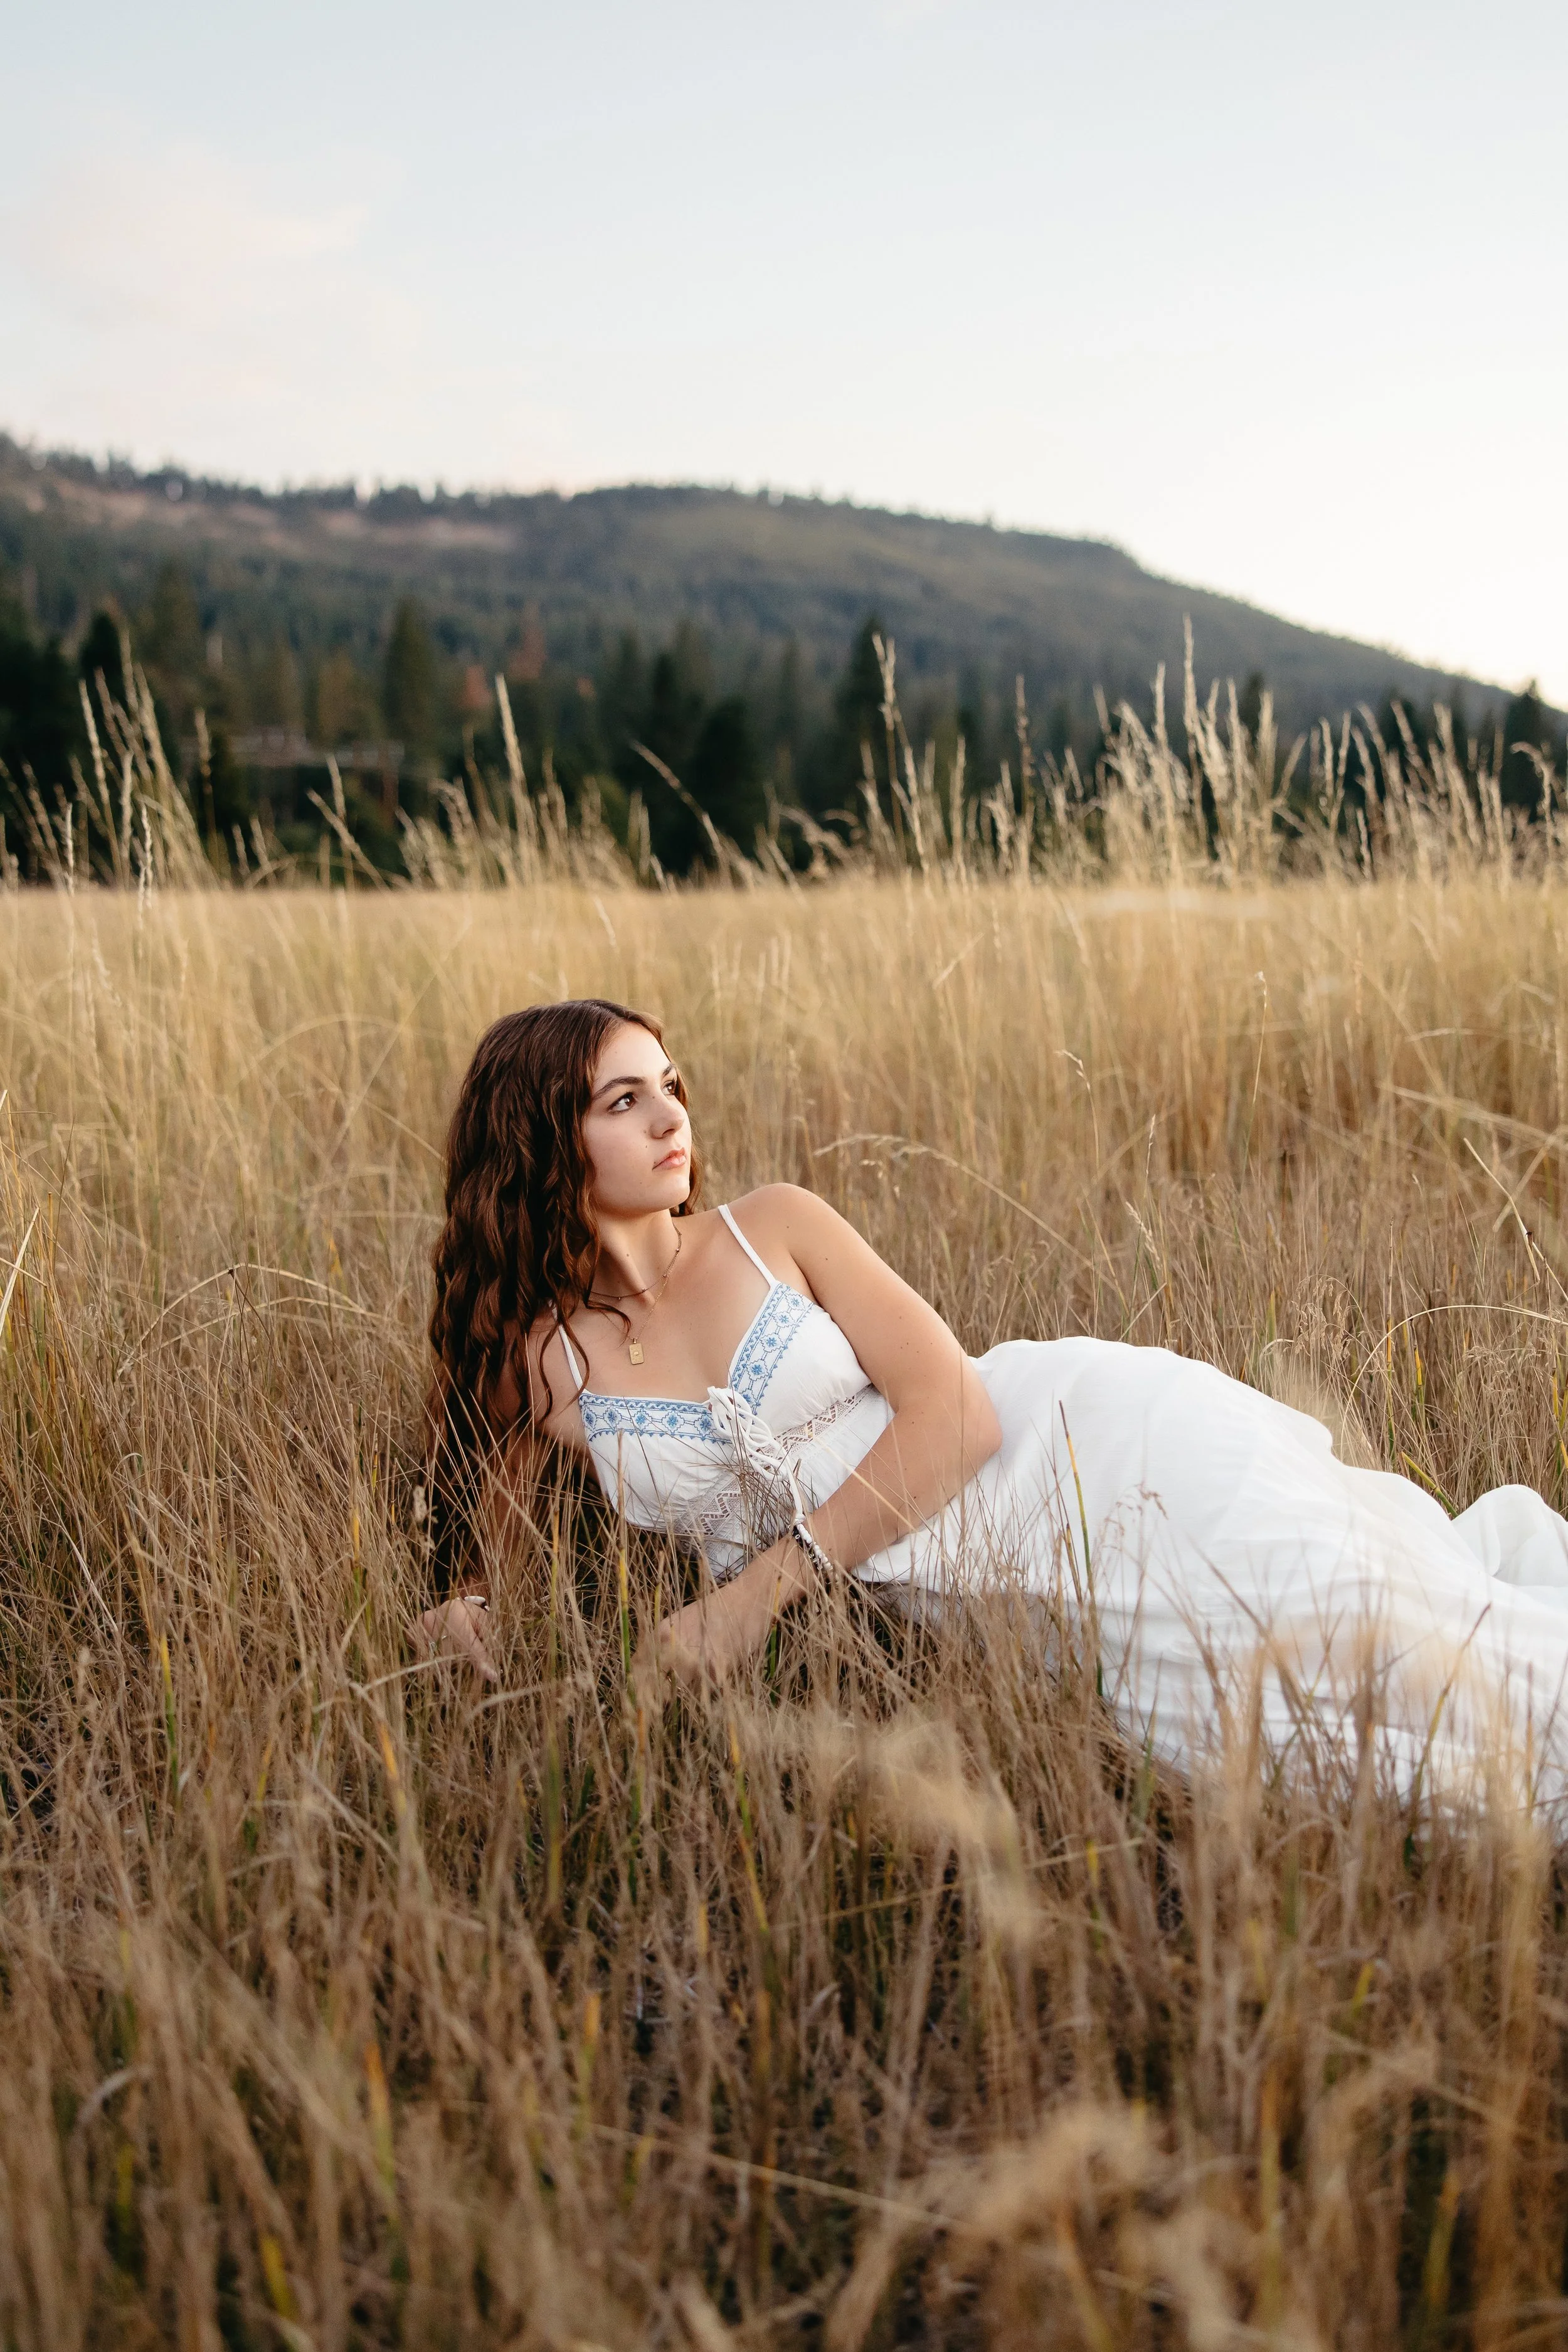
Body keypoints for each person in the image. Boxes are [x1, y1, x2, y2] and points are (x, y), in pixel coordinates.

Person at [419, 998, 1568, 1801]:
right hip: (970, 1602)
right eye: (625, 1100)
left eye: (671, 1087)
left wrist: (754, 1599)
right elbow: (490, 1535)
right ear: (540, 1134)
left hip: (1075, 1455)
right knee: (1249, 1745)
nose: (674, 1117)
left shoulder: (773, 1226)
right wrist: (463, 1601)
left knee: (1381, 1649)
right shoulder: (544, 1362)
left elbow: (959, 1414)